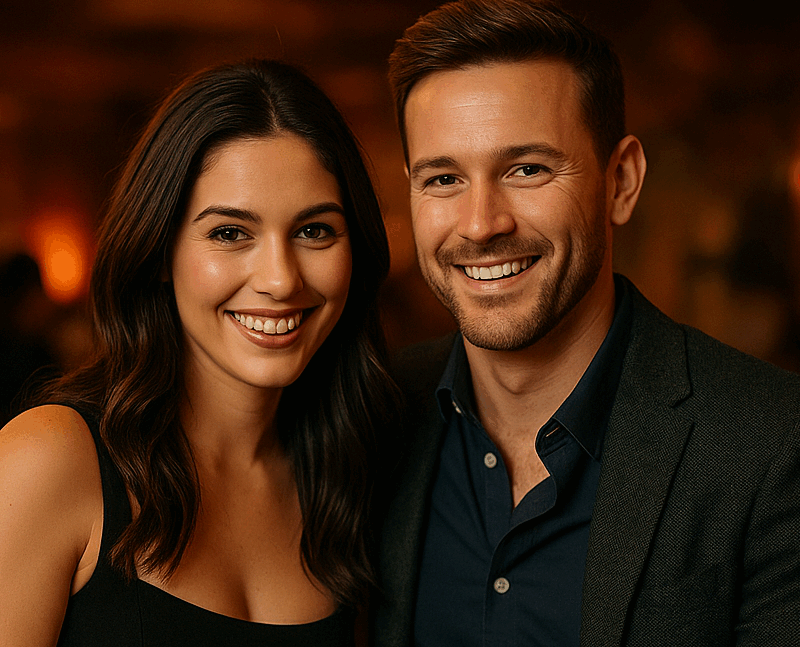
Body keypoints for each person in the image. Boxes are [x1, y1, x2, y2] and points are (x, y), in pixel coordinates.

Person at [371, 1, 800, 646]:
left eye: (527, 169)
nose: (482, 222)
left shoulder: (771, 446)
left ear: (621, 181)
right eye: (443, 178)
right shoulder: (367, 416)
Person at [0, 58, 397, 646]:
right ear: (160, 251)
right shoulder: (51, 460)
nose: (281, 279)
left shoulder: (349, 472)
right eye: (230, 233)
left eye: (314, 230)